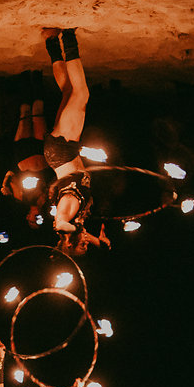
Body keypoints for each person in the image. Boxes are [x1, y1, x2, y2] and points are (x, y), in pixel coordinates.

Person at [41, 27, 111, 257]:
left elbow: (60, 223)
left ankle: (68, 37)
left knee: (82, 94)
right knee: (69, 91)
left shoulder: (66, 215)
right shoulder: (77, 220)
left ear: (70, 243)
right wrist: (99, 242)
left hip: (62, 150)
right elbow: (89, 237)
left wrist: (71, 232)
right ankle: (51, 40)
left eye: (82, 246)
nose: (86, 243)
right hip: (60, 151)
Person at [1, 70, 54, 230]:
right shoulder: (46, 199)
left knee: (25, 114)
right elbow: (53, 177)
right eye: (39, 220)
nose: (36, 218)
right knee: (38, 113)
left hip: (23, 153)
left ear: (27, 217)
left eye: (33, 220)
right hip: (40, 153)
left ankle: (24, 78)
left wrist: (6, 186)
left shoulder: (20, 197)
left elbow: (11, 175)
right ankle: (37, 77)